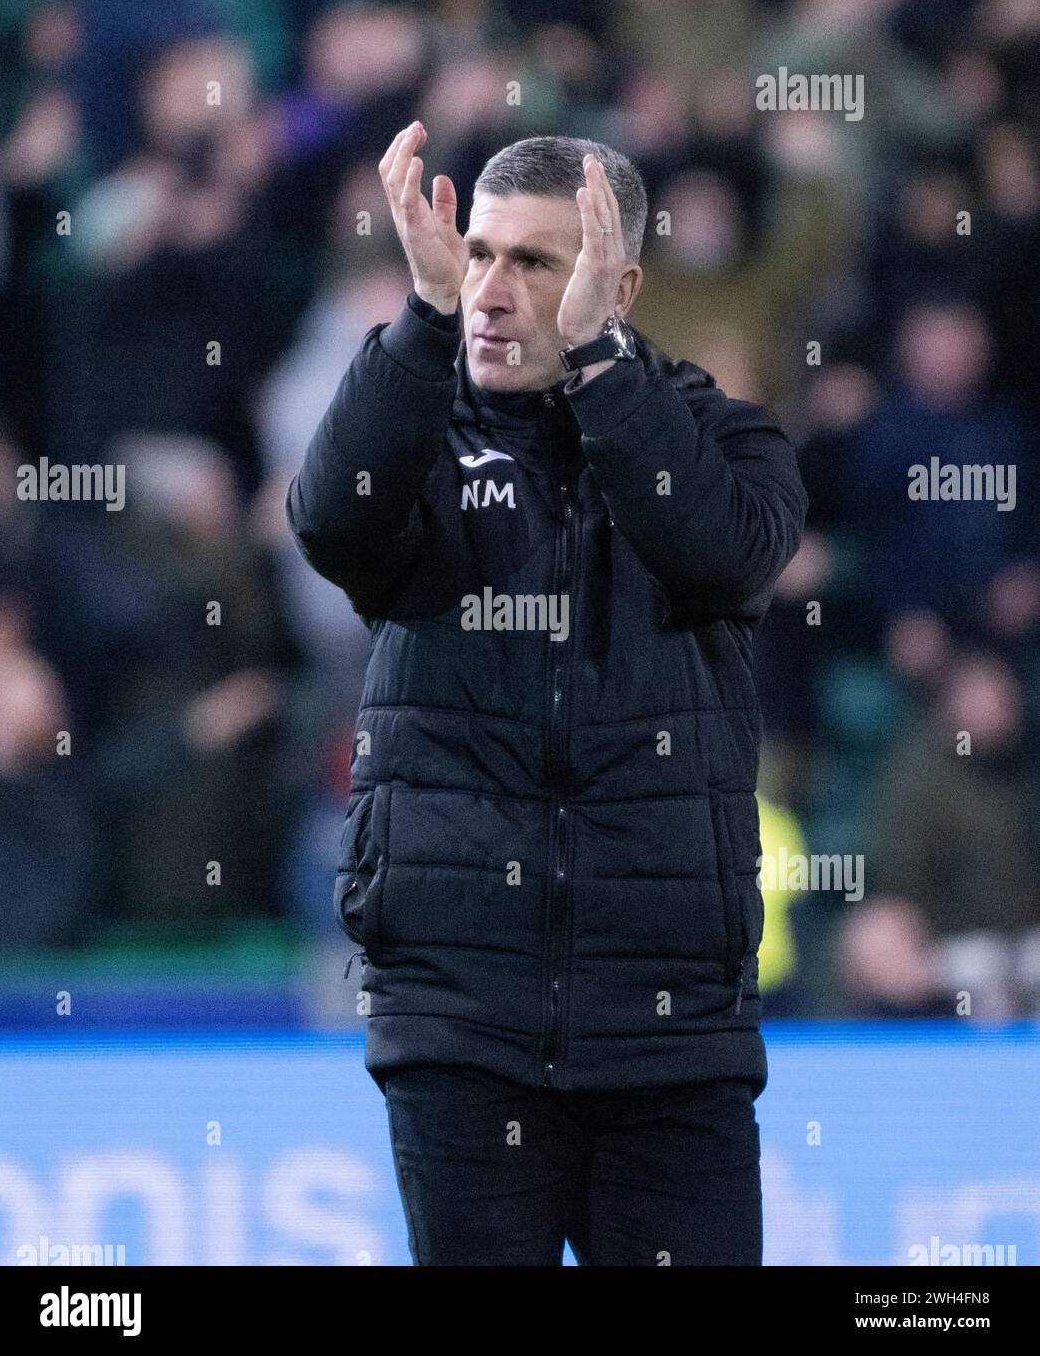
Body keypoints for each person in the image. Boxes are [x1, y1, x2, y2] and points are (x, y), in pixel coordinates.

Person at [287, 121, 807, 1265]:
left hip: (672, 1031)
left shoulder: (728, 439)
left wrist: (605, 372)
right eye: (477, 255)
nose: (492, 289)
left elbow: (715, 550)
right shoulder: (419, 436)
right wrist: (418, 326)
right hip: (460, 1017)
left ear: (617, 284)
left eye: (536, 262)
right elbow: (331, 517)